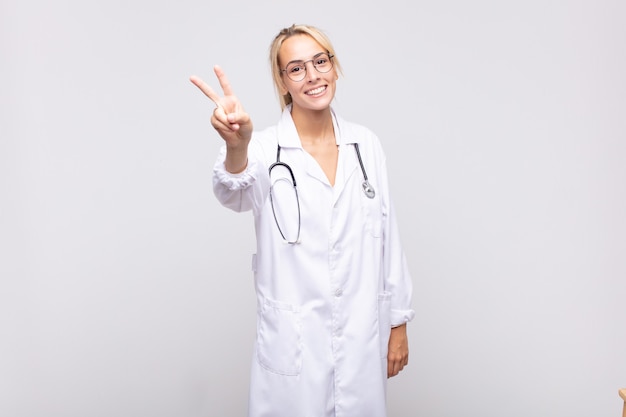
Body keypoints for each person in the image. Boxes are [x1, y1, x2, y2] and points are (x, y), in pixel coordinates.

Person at [190, 23, 415, 417]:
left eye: (320, 61)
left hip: (361, 338)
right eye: (296, 68)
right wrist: (236, 146)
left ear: (334, 67)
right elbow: (232, 190)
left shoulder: (366, 146)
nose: (312, 75)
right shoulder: (262, 149)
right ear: (282, 81)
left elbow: (387, 236)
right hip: (294, 347)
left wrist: (398, 322)